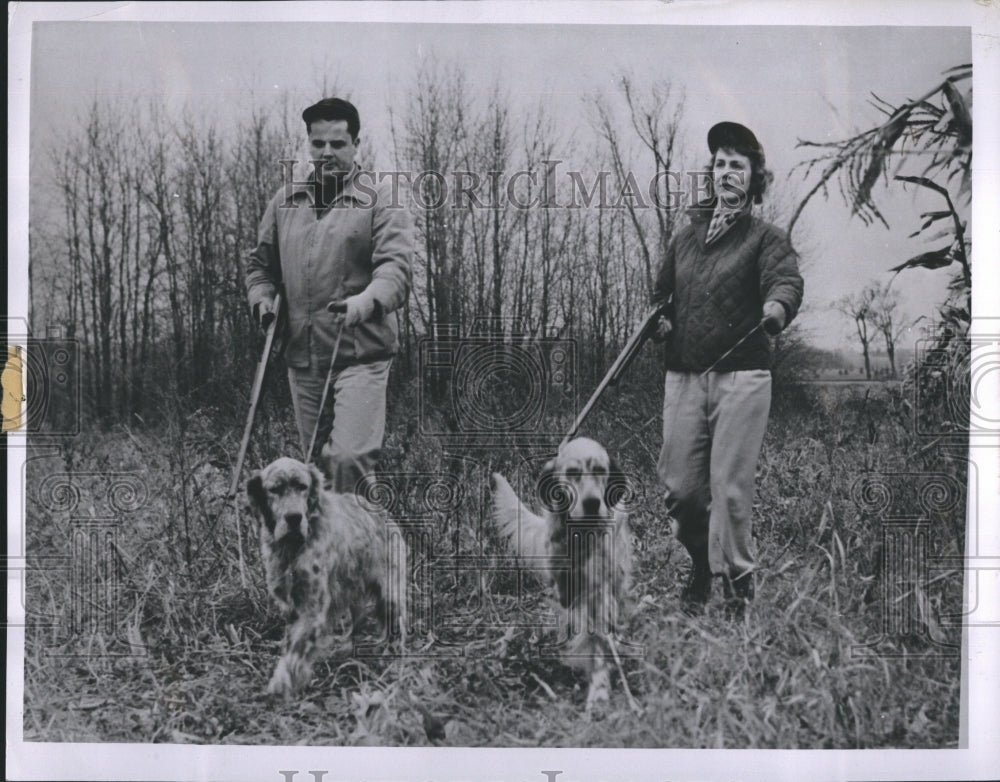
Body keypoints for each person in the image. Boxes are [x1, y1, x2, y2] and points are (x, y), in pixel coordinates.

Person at [652, 121, 804, 616]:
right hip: (684, 375)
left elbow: (786, 280)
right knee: (680, 490)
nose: (726, 172)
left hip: (742, 376)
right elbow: (661, 297)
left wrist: (777, 308)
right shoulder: (685, 238)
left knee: (730, 490)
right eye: (719, 163)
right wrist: (660, 321)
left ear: (754, 176)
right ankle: (700, 561)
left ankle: (738, 587)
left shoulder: (767, 238)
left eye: (737, 164)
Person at [246, 97, 413, 494]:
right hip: (304, 359)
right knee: (315, 470)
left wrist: (365, 303)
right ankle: (327, 553)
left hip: (361, 354)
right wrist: (263, 302)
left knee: (348, 462)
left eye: (338, 144)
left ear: (356, 145)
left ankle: (369, 551)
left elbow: (396, 270)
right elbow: (259, 268)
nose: (327, 153)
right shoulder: (285, 202)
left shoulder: (380, 200)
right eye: (318, 143)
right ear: (308, 144)